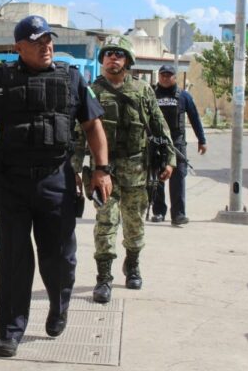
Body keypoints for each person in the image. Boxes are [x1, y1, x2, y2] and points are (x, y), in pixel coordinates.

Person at [0, 15, 112, 358]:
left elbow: (93, 126)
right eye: (37, 42)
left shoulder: (71, 78)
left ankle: (59, 304)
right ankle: (10, 331)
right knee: (13, 256)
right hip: (11, 181)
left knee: (58, 257)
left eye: (48, 40)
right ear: (19, 47)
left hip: (56, 179)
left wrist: (101, 170)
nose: (46, 46)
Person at [89, 35, 175, 304]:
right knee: (106, 222)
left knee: (134, 222)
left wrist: (170, 159)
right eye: (108, 53)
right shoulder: (91, 92)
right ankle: (104, 277)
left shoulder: (143, 90)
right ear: (102, 59)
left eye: (119, 54)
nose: (113, 58)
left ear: (127, 60)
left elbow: (159, 124)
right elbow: (81, 132)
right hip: (104, 170)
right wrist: (75, 168)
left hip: (137, 168)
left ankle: (133, 264)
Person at [151, 64, 207, 225]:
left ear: (175, 77)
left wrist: (202, 140)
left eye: (168, 75)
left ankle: (178, 214)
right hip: (156, 142)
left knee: (178, 178)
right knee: (157, 179)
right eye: (162, 75)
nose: (165, 78)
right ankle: (158, 211)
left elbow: (194, 118)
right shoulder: (151, 94)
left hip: (177, 143)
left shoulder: (183, 96)